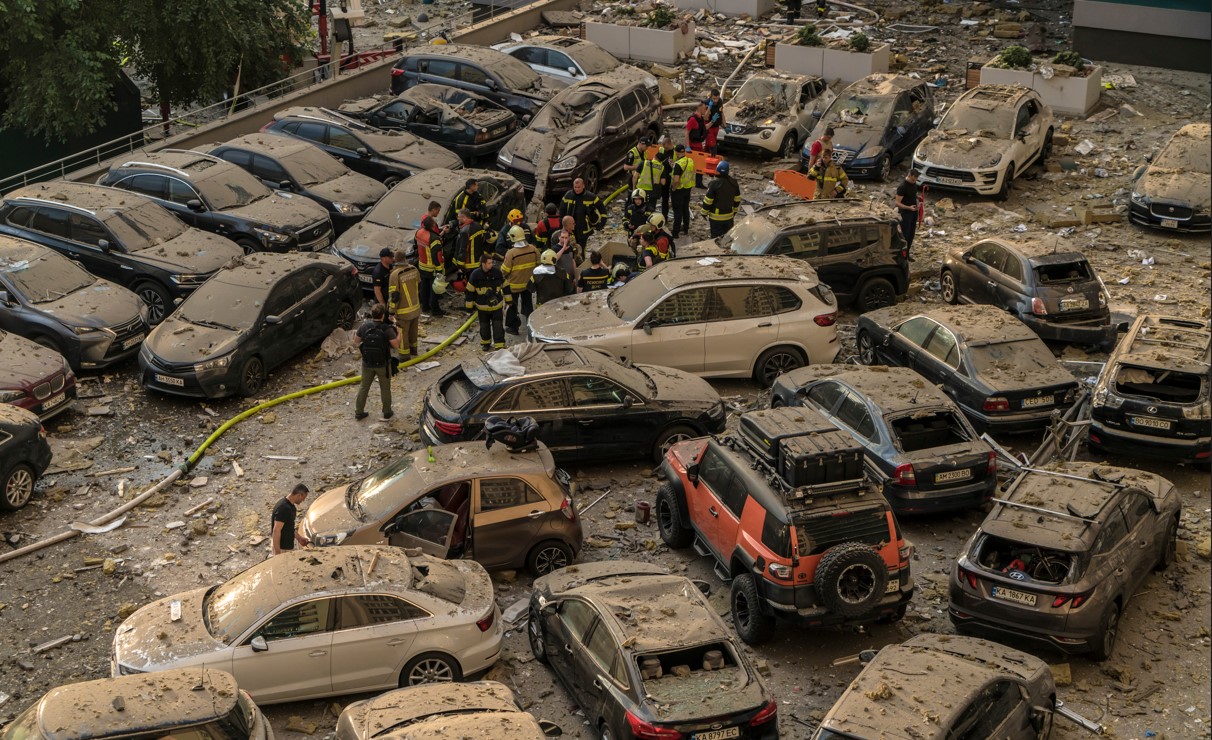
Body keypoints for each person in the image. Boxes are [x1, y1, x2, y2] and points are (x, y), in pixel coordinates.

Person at [353, 303, 400, 421]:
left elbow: (356, 341)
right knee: (385, 388)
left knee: (364, 387)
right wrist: (399, 333)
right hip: (383, 364)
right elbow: (396, 345)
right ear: (383, 315)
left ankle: (359, 412)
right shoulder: (387, 329)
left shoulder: (364, 326)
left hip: (367, 363)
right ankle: (387, 412)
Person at [465, 252, 508, 351]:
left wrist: (509, 301)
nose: (491, 265)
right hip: (482, 307)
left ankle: (499, 344)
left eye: (491, 263)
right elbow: (469, 291)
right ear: (483, 264)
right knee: (484, 326)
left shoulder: (497, 273)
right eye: (489, 263)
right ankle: (486, 343)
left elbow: (505, 286)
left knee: (498, 326)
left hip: (497, 306)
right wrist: (469, 307)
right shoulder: (475, 275)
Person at [501, 226, 539, 335]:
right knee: (528, 305)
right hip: (528, 284)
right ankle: (532, 326)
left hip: (514, 286)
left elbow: (505, 270)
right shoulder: (533, 249)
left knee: (512, 306)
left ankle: (513, 328)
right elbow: (538, 264)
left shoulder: (511, 253)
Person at [388, 248, 421, 363]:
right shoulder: (414, 269)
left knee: (403, 333)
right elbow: (418, 284)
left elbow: (394, 296)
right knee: (413, 331)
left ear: (395, 260)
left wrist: (391, 311)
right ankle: (414, 350)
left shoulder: (395, 275)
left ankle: (404, 356)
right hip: (415, 308)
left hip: (403, 311)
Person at [415, 201, 446, 318]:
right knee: (434, 289)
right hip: (431, 267)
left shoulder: (419, 233)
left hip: (422, 265)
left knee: (424, 287)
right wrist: (439, 271)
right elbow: (436, 256)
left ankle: (425, 306)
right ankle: (435, 309)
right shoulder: (434, 239)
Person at [701, 160, 741, 237]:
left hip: (716, 217)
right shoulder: (734, 182)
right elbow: (737, 199)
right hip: (729, 216)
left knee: (716, 238)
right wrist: (734, 211)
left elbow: (708, 201)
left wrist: (704, 213)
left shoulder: (714, 184)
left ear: (718, 171)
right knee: (726, 237)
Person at [559, 178, 603, 248]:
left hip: (583, 230)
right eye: (575, 187)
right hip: (569, 229)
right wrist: (562, 225)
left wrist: (601, 224)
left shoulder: (590, 197)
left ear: (583, 186)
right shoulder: (568, 195)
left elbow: (602, 210)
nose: (577, 189)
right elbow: (562, 211)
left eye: (579, 187)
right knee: (569, 248)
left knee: (581, 249)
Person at [271, 484, 310, 556]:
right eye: (303, 497)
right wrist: (277, 552)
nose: (303, 500)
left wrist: (299, 538)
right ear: (299, 495)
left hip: (287, 547)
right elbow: (276, 530)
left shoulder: (291, 507)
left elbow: (289, 527)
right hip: (282, 549)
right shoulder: (283, 508)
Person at [454, 208, 490, 282]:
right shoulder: (478, 226)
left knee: (470, 283)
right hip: (479, 261)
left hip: (469, 264)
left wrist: (459, 264)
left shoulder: (464, 231)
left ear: (464, 217)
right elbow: (484, 240)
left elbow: (463, 249)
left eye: (459, 216)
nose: (458, 218)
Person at [670, 144, 696, 237]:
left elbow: (676, 180)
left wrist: (673, 188)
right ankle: (685, 228)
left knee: (677, 211)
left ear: (676, 152)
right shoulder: (690, 160)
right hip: (687, 188)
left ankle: (675, 232)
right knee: (685, 209)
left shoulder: (678, 165)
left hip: (679, 190)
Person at [895, 169, 920, 257]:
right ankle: (902, 255)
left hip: (913, 212)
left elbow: (913, 193)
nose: (914, 181)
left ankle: (907, 254)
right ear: (909, 176)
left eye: (915, 180)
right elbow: (897, 203)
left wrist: (918, 197)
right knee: (905, 235)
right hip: (905, 214)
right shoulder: (902, 186)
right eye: (913, 179)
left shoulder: (914, 184)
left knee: (911, 234)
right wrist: (908, 207)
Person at [636, 146, 667, 216]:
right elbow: (663, 182)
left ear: (654, 156)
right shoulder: (662, 168)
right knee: (651, 209)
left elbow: (635, 176)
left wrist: (633, 188)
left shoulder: (644, 163)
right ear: (661, 161)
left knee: (639, 207)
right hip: (653, 191)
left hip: (641, 189)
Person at [551, 227, 579, 296]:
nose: (564, 239)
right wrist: (563, 248)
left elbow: (573, 262)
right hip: (560, 278)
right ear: (559, 237)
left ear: (569, 238)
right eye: (562, 237)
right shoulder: (554, 248)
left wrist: (576, 277)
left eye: (566, 237)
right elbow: (555, 259)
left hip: (570, 277)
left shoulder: (570, 248)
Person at [705, 89, 725, 157]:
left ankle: (706, 156)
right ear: (711, 97)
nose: (715, 100)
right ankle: (714, 158)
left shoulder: (720, 102)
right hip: (709, 127)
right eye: (714, 99)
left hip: (716, 127)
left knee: (711, 143)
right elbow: (704, 117)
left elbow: (722, 113)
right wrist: (709, 108)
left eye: (717, 98)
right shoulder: (706, 103)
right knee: (712, 144)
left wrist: (725, 125)